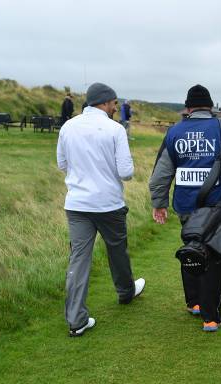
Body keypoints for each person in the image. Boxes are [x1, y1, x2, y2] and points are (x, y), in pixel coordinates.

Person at [149, 84, 221, 332]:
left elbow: (161, 174)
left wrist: (159, 203)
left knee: (191, 248)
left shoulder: (174, 132)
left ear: (188, 107)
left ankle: (194, 303)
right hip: (218, 205)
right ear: (210, 105)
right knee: (214, 257)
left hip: (186, 205)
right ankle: (211, 316)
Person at [56, 82, 145, 337]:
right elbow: (126, 173)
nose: (116, 107)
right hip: (108, 204)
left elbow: (62, 163)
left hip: (76, 204)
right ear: (105, 102)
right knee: (117, 251)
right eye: (114, 103)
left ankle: (76, 320)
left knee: (79, 259)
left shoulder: (68, 126)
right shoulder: (115, 129)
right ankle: (126, 293)